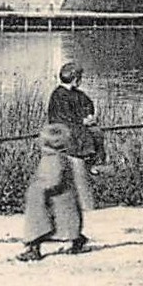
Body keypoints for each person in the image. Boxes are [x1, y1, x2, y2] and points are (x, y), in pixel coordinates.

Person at [17, 123, 88, 262]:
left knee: (38, 225)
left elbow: (53, 179)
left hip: (48, 199)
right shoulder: (63, 157)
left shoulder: (52, 159)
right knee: (66, 224)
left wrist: (39, 187)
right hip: (63, 199)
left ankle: (33, 249)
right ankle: (77, 240)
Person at [47, 62, 104, 211]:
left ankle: (93, 161)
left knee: (96, 132)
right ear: (75, 79)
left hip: (76, 129)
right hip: (64, 132)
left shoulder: (77, 94)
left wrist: (89, 115)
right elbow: (62, 117)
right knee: (81, 142)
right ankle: (89, 161)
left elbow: (87, 104)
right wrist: (82, 121)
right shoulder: (58, 95)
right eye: (80, 77)